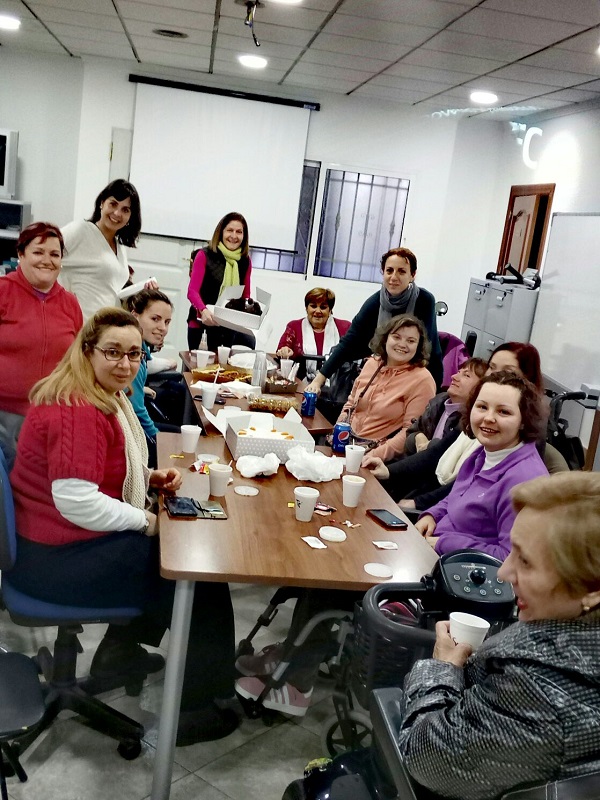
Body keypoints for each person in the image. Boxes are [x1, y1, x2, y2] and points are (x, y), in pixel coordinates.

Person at [8, 308, 237, 746]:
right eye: (112, 352)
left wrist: (145, 478)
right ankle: (202, 707)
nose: (125, 363)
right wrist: (145, 521)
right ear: (87, 351)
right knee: (195, 573)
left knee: (173, 548)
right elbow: (78, 502)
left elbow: (90, 475)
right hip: (54, 560)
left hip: (47, 544)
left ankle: (117, 654)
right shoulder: (80, 409)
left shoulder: (92, 394)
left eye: (135, 354)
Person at [398, 471, 600, 800]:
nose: (504, 572)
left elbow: (425, 757)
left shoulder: (537, 693)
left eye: (526, 561)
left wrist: (442, 668)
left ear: (593, 591)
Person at [364, 341, 547, 512]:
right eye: (492, 367)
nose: (496, 375)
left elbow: (468, 489)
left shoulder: (520, 452)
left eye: (509, 371)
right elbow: (437, 456)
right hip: (440, 506)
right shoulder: (476, 420)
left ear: (527, 380)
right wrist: (389, 471)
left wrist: (420, 504)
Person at [415, 370, 549, 560]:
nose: (489, 418)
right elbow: (456, 499)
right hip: (434, 554)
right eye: (482, 407)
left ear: (523, 421)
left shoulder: (524, 481)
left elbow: (510, 559)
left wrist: (445, 544)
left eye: (503, 411)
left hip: (465, 576)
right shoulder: (483, 453)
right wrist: (432, 515)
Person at [0, 222, 83, 468]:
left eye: (54, 254)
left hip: (51, 421)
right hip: (4, 418)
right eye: (38, 252)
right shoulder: (2, 292)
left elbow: (78, 361)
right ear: (21, 254)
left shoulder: (70, 304)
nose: (47, 260)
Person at [305, 247, 442, 393]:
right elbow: (348, 343)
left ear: (412, 275)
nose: (394, 277)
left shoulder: (425, 300)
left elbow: (428, 349)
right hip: (383, 371)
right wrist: (318, 380)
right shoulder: (375, 302)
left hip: (419, 373)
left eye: (401, 271)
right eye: (389, 271)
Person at [362, 358, 487, 502]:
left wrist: (429, 445)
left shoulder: (468, 422)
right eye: (459, 371)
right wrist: (418, 437)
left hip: (426, 484)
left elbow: (438, 455)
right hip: (410, 471)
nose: (454, 377)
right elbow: (411, 433)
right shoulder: (439, 402)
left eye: (466, 375)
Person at [60, 179, 145, 320]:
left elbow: (110, 289)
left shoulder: (119, 245)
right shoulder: (80, 230)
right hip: (82, 326)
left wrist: (141, 290)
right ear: (101, 203)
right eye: (113, 204)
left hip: (105, 328)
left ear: (130, 216)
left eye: (125, 210)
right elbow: (42, 252)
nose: (117, 213)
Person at [126, 289, 183, 467]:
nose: (163, 328)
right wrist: (157, 437)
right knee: (181, 440)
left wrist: (139, 388)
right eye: (155, 319)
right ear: (135, 316)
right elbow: (136, 411)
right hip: (130, 432)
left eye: (167, 322)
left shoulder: (141, 347)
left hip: (132, 424)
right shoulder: (131, 354)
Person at [187, 212, 256, 352]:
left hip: (228, 326)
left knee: (223, 368)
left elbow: (245, 294)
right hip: (202, 323)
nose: (234, 236)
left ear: (244, 236)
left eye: (239, 232)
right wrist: (203, 310)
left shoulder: (245, 261)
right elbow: (192, 291)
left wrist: (251, 312)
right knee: (198, 371)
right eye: (230, 230)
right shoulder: (204, 255)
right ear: (221, 232)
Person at [276, 288, 351, 381]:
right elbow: (283, 348)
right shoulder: (294, 326)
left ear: (330, 310)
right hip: (300, 385)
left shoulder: (345, 327)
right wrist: (284, 351)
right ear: (306, 308)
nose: (318, 311)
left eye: (323, 307)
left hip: (336, 388)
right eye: (313, 306)